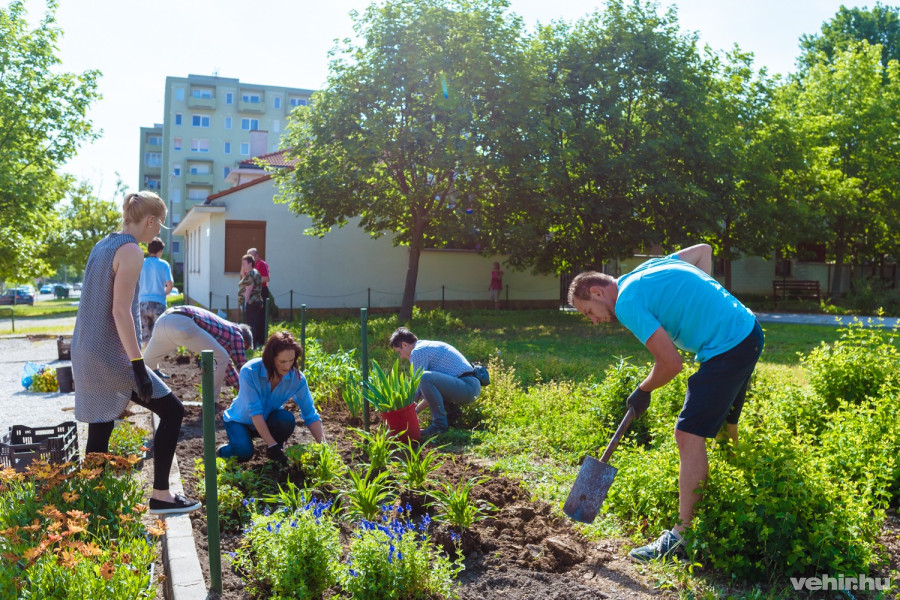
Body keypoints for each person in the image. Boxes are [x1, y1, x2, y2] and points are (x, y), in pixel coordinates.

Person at [567, 243, 764, 563]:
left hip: (729, 345)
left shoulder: (627, 302)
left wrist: (643, 389)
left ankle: (683, 539)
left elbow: (671, 364)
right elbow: (704, 251)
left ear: (597, 292)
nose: (594, 320)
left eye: (589, 311)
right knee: (727, 430)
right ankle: (734, 505)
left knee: (688, 435)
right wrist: (703, 302)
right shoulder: (646, 270)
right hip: (746, 329)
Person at [71, 191, 200, 515]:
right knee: (172, 411)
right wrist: (139, 366)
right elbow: (119, 312)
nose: (157, 234)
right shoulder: (131, 251)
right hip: (108, 354)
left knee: (101, 425)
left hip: (86, 348)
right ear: (151, 220)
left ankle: (86, 510)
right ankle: (161, 496)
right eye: (159, 226)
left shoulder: (104, 244)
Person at [218, 331, 325, 463]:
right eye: (282, 361)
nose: (287, 366)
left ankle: (275, 450)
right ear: (271, 358)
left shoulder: (296, 379)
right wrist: (272, 444)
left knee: (286, 419)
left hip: (267, 420)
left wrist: (324, 448)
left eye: (291, 360)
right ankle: (222, 451)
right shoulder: (250, 371)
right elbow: (255, 411)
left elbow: (310, 413)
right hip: (240, 421)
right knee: (244, 452)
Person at [389, 327, 481, 440]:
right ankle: (449, 419)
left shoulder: (417, 351)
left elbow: (416, 387)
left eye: (399, 352)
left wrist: (405, 413)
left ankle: (439, 425)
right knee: (425, 382)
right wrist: (416, 410)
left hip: (467, 386)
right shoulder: (424, 346)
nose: (401, 356)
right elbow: (430, 392)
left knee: (423, 377)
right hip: (469, 387)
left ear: (404, 345)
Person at [143, 305, 252, 399]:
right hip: (181, 323)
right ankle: (210, 402)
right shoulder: (237, 335)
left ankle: (127, 405)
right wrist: (249, 392)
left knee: (143, 367)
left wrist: (240, 389)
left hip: (163, 320)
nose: (242, 348)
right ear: (245, 340)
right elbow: (243, 368)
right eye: (244, 347)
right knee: (222, 357)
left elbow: (226, 367)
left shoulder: (224, 327)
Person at [138, 237, 173, 359]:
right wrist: (164, 293)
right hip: (158, 303)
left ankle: (147, 366)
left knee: (146, 336)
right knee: (158, 337)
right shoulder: (164, 264)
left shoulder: (141, 263)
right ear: (160, 251)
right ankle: (155, 367)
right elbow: (170, 284)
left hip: (143, 303)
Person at [238, 254, 265, 348]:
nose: (243, 266)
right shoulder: (254, 272)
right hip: (256, 301)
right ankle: (253, 345)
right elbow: (242, 277)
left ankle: (252, 346)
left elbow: (248, 289)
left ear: (250, 264)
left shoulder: (251, 274)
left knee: (250, 325)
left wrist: (244, 304)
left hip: (252, 302)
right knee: (253, 323)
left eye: (244, 263)